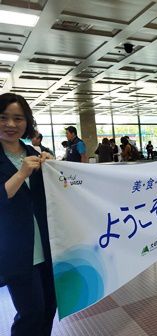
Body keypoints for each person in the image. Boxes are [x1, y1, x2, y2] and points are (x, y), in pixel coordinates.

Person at [0, 93, 56, 336]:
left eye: (18, 118)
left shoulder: (37, 151)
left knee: (49, 308)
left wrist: (54, 169)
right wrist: (22, 173)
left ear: (27, 122)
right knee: (30, 314)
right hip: (17, 252)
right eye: (3, 118)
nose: (11, 124)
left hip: (50, 246)